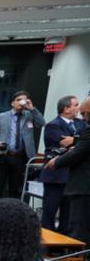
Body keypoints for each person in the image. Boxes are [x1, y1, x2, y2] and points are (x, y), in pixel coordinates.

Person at [47, 96, 90, 261]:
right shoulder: (56, 126)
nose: (83, 118)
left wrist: (55, 162)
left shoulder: (87, 132)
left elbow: (78, 153)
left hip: (83, 187)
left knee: (78, 228)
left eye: (85, 113)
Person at [0, 90, 45, 200]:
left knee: (15, 188)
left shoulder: (29, 115)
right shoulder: (2, 116)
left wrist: (32, 108)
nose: (21, 102)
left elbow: (42, 123)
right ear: (12, 103)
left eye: (23, 100)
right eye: (18, 100)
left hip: (20, 157)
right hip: (4, 155)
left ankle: (13, 214)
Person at [41, 95, 86, 232]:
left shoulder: (81, 124)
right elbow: (62, 144)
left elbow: (83, 143)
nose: (79, 108)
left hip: (72, 177)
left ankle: (63, 245)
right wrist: (78, 142)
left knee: (67, 214)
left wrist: (74, 141)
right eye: (76, 105)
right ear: (66, 109)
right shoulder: (53, 125)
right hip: (56, 176)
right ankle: (47, 244)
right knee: (50, 212)